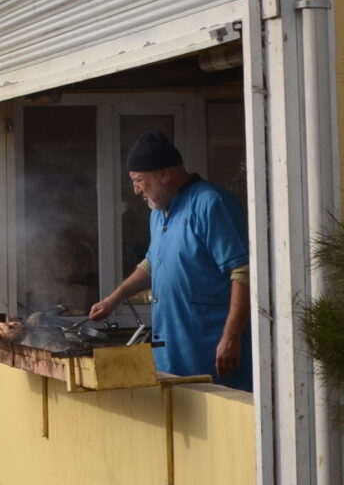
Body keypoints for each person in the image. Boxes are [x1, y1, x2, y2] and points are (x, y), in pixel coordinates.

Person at [88, 131, 250, 389]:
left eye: (139, 180)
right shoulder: (158, 212)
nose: (135, 190)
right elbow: (153, 263)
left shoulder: (212, 204)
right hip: (171, 353)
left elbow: (242, 271)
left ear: (164, 174)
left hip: (211, 352)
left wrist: (231, 338)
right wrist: (114, 298)